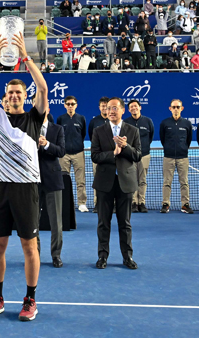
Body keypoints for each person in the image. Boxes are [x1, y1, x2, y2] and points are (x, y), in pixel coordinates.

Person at [0, 32, 49, 322]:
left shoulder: (35, 117)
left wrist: (27, 57)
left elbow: (43, 89)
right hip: (1, 187)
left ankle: (30, 299)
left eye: (19, 93)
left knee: (29, 246)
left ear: (24, 97)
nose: (14, 96)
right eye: (10, 93)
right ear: (5, 98)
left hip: (27, 188)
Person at [91, 97, 140, 269]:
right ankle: (102, 257)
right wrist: (113, 152)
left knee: (125, 223)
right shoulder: (98, 131)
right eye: (108, 108)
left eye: (115, 108)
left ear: (122, 110)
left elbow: (137, 155)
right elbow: (94, 156)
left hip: (125, 183)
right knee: (103, 223)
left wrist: (125, 147)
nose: (111, 111)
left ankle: (127, 258)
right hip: (104, 183)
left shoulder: (133, 131)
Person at [36, 114, 65, 268]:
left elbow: (61, 151)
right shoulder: (28, 128)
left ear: (47, 108)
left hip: (53, 180)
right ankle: (35, 256)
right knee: (33, 221)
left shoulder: (58, 129)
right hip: (33, 181)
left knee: (56, 222)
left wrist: (47, 144)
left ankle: (56, 255)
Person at [55, 96, 88, 213]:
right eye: (68, 104)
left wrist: (77, 144)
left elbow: (83, 134)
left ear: (76, 105)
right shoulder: (60, 119)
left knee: (81, 180)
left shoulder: (81, 118)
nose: (70, 106)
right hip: (64, 154)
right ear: (64, 105)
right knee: (63, 180)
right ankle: (65, 203)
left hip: (78, 153)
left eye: (72, 104)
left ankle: (82, 203)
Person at [160, 98, 193, 213]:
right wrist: (169, 149)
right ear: (170, 109)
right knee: (167, 182)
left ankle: (185, 204)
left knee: (184, 182)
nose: (175, 109)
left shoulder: (187, 124)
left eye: (178, 107)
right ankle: (165, 204)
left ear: (181, 108)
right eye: (173, 107)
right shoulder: (165, 123)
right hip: (168, 157)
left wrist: (182, 149)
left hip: (183, 157)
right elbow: (163, 139)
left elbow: (188, 140)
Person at [126, 100, 155, 213]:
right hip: (131, 156)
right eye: (131, 107)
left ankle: (141, 202)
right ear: (129, 110)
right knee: (133, 179)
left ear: (140, 107)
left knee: (142, 180)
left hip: (144, 155)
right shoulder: (126, 122)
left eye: (135, 106)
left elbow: (150, 137)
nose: (134, 108)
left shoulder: (148, 121)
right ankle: (134, 202)